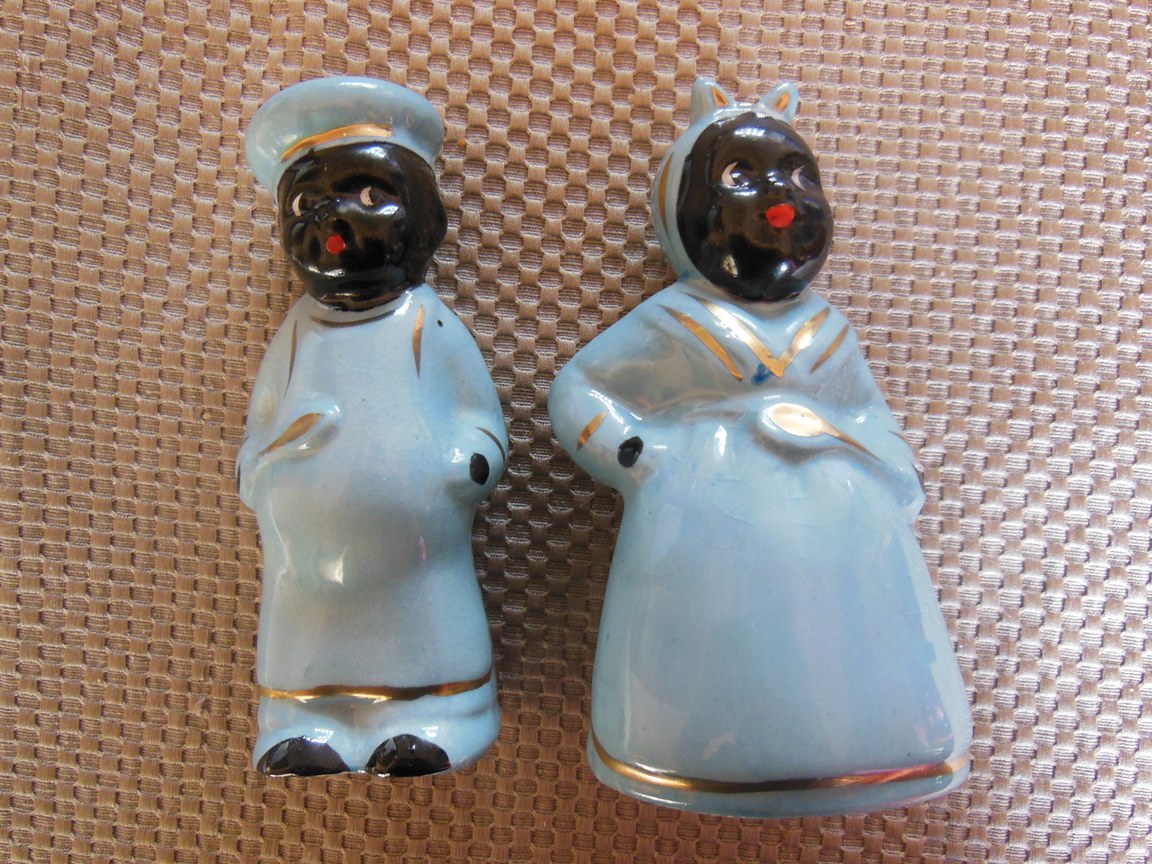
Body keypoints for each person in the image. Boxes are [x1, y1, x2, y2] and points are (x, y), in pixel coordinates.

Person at [549, 80, 972, 817]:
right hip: (704, 526)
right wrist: (637, 455)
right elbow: (581, 389)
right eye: (741, 178)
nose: (780, 197)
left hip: (847, 538)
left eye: (799, 174)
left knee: (848, 641)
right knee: (721, 644)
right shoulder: (673, 321)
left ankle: (878, 743)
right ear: (687, 214)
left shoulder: (829, 330)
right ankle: (690, 748)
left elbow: (870, 414)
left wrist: (878, 459)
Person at [239, 77, 506, 777]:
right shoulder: (297, 333)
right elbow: (263, 418)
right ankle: (305, 719)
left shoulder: (426, 323)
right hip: (304, 556)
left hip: (419, 550)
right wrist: (260, 468)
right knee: (307, 630)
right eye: (306, 204)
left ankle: (439, 716)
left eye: (368, 194)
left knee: (425, 622)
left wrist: (470, 460)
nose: (334, 220)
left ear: (421, 217)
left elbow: (477, 413)